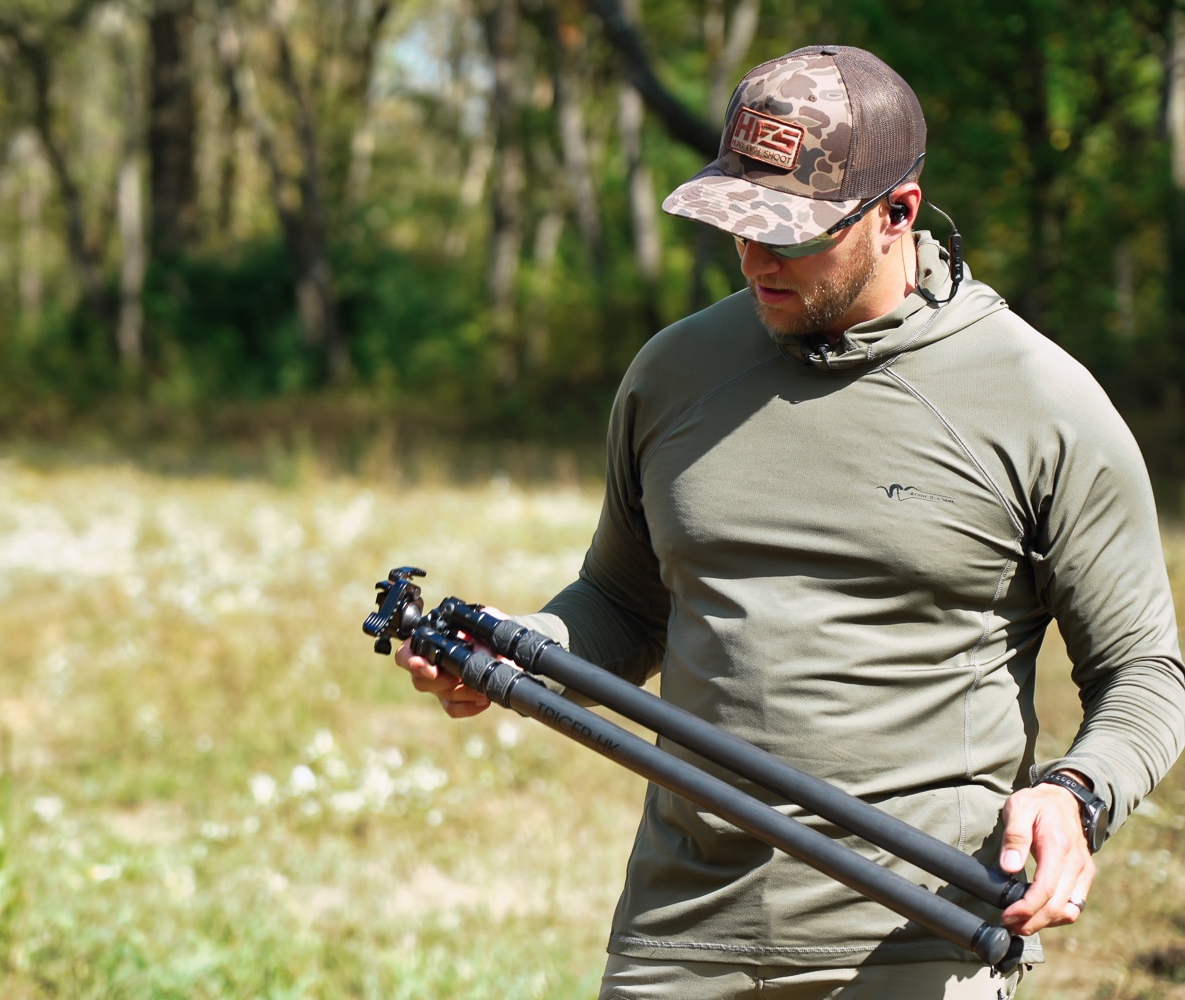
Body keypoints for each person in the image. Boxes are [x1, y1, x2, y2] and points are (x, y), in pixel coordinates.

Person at [396, 44, 1185, 1000]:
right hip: (678, 933)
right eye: (739, 222)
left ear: (899, 211)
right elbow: (622, 602)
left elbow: (1146, 671)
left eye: (794, 232)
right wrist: (522, 652)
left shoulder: (1039, 401)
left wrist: (1076, 795)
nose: (756, 257)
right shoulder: (673, 374)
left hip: (919, 932)